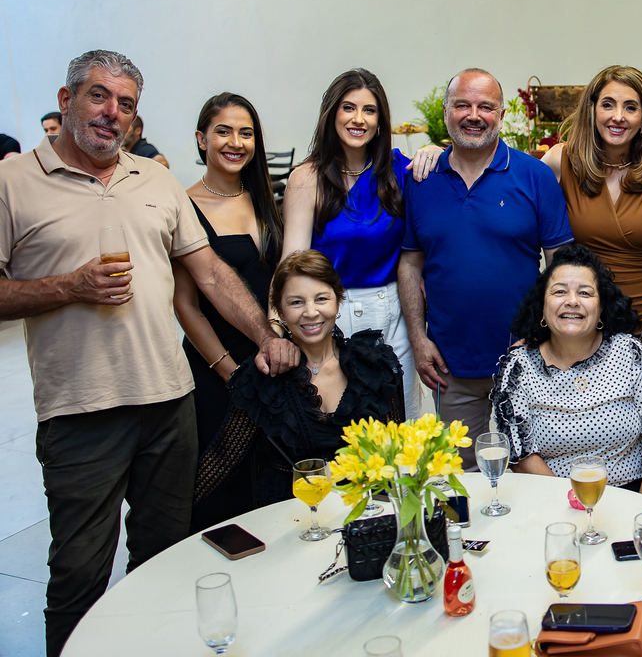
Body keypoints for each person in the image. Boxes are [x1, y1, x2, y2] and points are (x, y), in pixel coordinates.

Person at [0, 50, 298, 657]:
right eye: (99, 96)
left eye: (126, 103)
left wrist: (268, 337)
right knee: (80, 574)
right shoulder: (13, 182)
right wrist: (69, 286)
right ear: (66, 100)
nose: (112, 113)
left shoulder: (155, 180)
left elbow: (210, 273)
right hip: (81, 411)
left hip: (170, 404)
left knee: (166, 560)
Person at [400, 68, 573, 469]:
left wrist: (546, 334)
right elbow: (410, 263)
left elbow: (562, 265)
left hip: (528, 358)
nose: (474, 115)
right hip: (450, 363)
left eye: (486, 107)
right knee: (463, 477)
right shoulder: (420, 180)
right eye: (462, 105)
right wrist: (418, 338)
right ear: (446, 112)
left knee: (537, 472)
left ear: (501, 114)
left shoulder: (534, 176)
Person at [283, 69, 440, 423]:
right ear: (331, 114)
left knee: (402, 421)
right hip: (332, 314)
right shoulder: (307, 178)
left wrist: (435, 150)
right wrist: (279, 329)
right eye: (348, 108)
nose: (359, 119)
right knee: (344, 425)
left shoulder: (399, 170)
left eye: (369, 110)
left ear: (381, 120)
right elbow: (291, 264)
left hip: (395, 312)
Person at [195, 250, 405, 508]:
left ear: (338, 302)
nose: (311, 312)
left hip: (363, 509)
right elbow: (221, 460)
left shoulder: (375, 365)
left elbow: (393, 454)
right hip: (291, 514)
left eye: (321, 299)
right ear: (280, 312)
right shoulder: (262, 378)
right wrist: (173, 521)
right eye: (296, 302)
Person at [491, 244, 642, 497]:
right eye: (560, 291)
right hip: (551, 500)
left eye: (585, 293)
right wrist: (572, 503)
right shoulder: (519, 367)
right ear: (542, 306)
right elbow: (520, 453)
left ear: (601, 307)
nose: (572, 301)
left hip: (631, 498)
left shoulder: (630, 354)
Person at [172, 92, 284, 532]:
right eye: (223, 132)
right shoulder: (185, 205)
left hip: (274, 357)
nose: (236, 143)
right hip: (219, 365)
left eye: (246, 133)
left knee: (275, 482)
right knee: (222, 489)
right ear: (202, 139)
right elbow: (186, 305)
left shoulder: (264, 198)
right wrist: (230, 372)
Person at [541, 66, 642, 360]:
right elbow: (514, 194)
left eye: (630, 107)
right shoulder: (560, 161)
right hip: (582, 316)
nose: (618, 116)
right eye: (608, 104)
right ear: (592, 109)